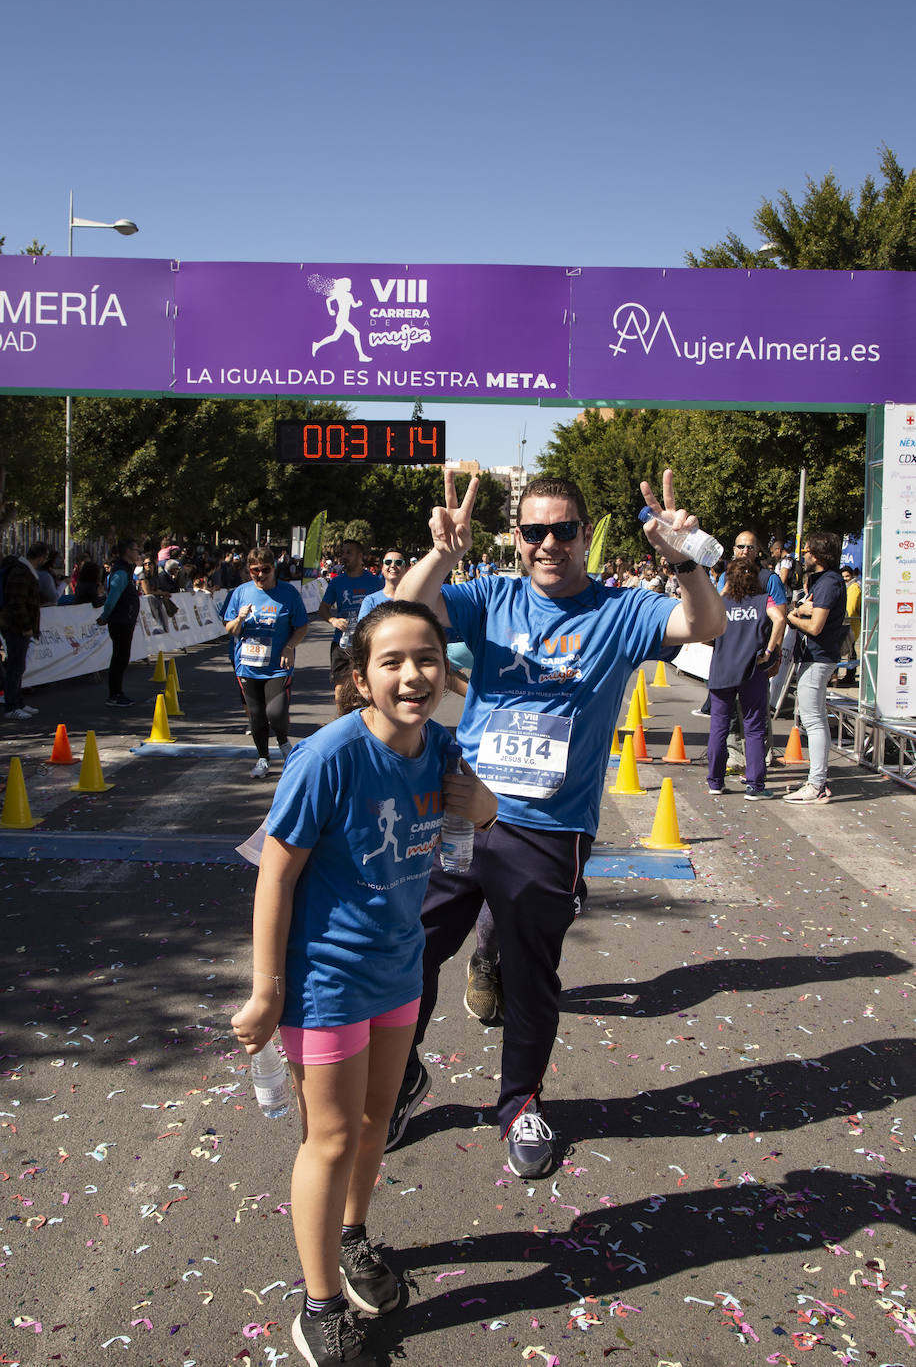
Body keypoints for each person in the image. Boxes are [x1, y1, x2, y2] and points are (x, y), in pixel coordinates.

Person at [387, 468, 726, 1178]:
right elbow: (403, 612)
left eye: (563, 530)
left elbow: (705, 625)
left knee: (530, 977)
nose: (548, 544)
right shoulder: (491, 597)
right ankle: (401, 1079)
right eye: (534, 531)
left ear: (583, 537)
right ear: (516, 539)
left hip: (549, 831)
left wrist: (684, 557)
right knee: (411, 950)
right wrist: (442, 556)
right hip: (462, 813)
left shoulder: (621, 610)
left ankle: (520, 1105)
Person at [230, 601, 496, 1367]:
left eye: (428, 659)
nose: (413, 675)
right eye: (393, 661)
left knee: (379, 1121)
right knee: (332, 1136)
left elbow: (475, 823)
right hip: (325, 983)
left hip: (398, 974)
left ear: (446, 673)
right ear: (361, 677)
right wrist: (267, 987)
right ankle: (316, 1307)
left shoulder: (441, 748)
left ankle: (351, 1240)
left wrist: (483, 807)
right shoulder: (329, 757)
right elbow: (275, 874)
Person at [224, 548, 310, 778]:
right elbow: (229, 629)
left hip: (277, 665)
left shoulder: (288, 593)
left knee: (276, 711)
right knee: (256, 715)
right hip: (248, 665)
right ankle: (263, 758)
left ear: (274, 568)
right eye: (254, 570)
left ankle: (282, 740)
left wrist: (289, 646)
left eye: (265, 570)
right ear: (248, 570)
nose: (260, 575)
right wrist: (240, 618)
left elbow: (302, 625)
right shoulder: (240, 593)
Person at [706, 556, 785, 799]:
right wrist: (770, 650)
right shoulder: (764, 600)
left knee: (719, 726)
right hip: (752, 669)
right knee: (753, 728)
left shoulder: (721, 603)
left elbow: (704, 631)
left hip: (722, 669)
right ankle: (755, 785)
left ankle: (715, 782)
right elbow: (780, 619)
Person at [783, 531, 846, 804]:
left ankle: (817, 783)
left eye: (807, 551)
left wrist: (791, 616)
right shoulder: (823, 581)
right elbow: (808, 611)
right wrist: (801, 611)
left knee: (814, 721)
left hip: (819, 657)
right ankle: (816, 778)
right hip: (814, 657)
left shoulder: (830, 582)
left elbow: (815, 626)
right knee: (814, 719)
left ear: (818, 555)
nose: (803, 556)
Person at [317, 538, 384, 715]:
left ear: (360, 556)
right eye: (343, 553)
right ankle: (342, 721)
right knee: (340, 686)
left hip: (366, 642)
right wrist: (333, 621)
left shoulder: (375, 582)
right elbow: (323, 609)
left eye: (349, 553)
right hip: (342, 642)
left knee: (367, 684)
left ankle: (369, 719)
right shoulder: (337, 582)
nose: (344, 557)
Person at [0, 542, 46, 720]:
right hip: (16, 627)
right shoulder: (21, 572)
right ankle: (11, 705)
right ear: (41, 557)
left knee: (18, 666)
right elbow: (17, 602)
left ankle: (17, 701)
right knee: (15, 666)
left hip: (19, 626)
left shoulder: (24, 571)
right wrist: (26, 626)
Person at [96, 539, 142, 706]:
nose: (138, 553)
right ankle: (114, 694)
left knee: (123, 657)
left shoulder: (127, 571)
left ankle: (117, 692)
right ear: (128, 551)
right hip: (120, 620)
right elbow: (112, 597)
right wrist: (105, 616)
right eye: (136, 550)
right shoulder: (121, 573)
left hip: (126, 619)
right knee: (119, 658)